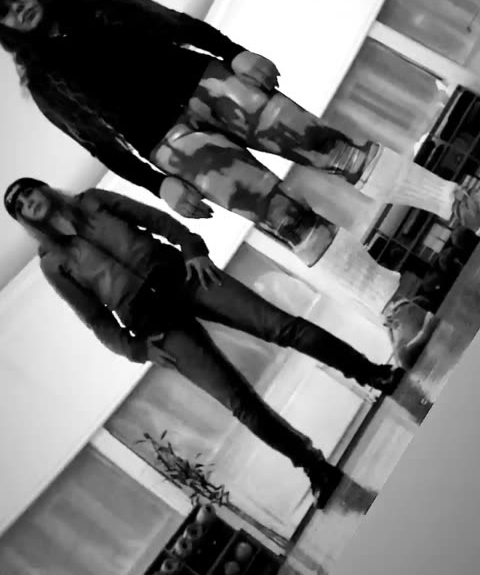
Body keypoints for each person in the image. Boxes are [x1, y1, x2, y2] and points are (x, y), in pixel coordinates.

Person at [1, 0, 478, 283]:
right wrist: (159, 184)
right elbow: (100, 144)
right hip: (171, 144)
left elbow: (167, 21)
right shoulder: (44, 83)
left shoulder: (89, 1)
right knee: (283, 218)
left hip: (207, 83)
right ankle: (394, 303)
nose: (17, 8)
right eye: (2, 13)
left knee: (330, 148)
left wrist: (233, 52)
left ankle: (453, 202)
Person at [4, 177, 404, 507]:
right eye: (19, 206)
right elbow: (95, 320)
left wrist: (192, 249)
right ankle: (315, 467)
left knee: (283, 328)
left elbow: (157, 220)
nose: (28, 202)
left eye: (28, 192)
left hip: (186, 278)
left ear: (43, 189)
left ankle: (374, 374)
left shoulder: (93, 201)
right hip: (155, 325)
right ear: (23, 219)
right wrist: (137, 349)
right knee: (239, 403)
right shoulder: (53, 264)